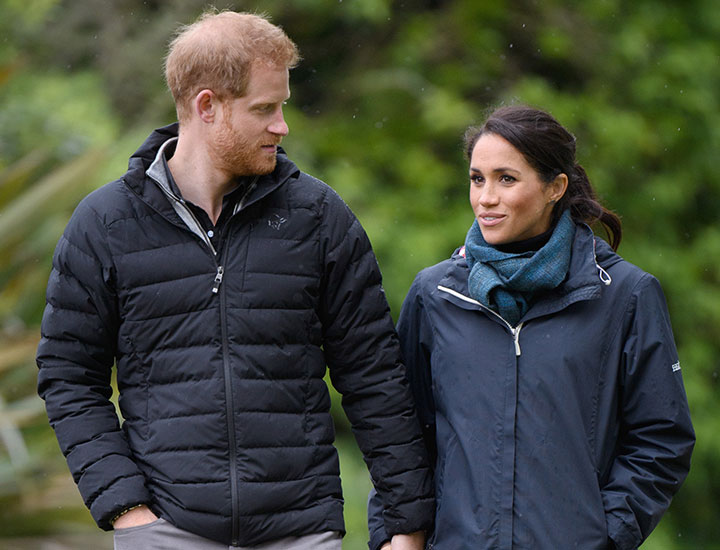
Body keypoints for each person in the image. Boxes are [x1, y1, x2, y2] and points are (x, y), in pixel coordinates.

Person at [36, 10, 433, 550]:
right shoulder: (105, 225)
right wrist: (128, 510)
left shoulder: (318, 217)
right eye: (265, 109)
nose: (282, 126)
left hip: (302, 531)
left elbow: (375, 376)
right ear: (207, 107)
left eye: (282, 107)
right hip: (166, 531)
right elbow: (68, 377)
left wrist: (405, 528)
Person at [367, 105, 695, 550]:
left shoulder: (626, 295)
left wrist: (605, 535)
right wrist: (394, 534)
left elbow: (662, 439)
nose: (485, 197)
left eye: (506, 179)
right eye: (476, 178)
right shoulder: (435, 295)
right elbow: (400, 435)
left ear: (555, 187)